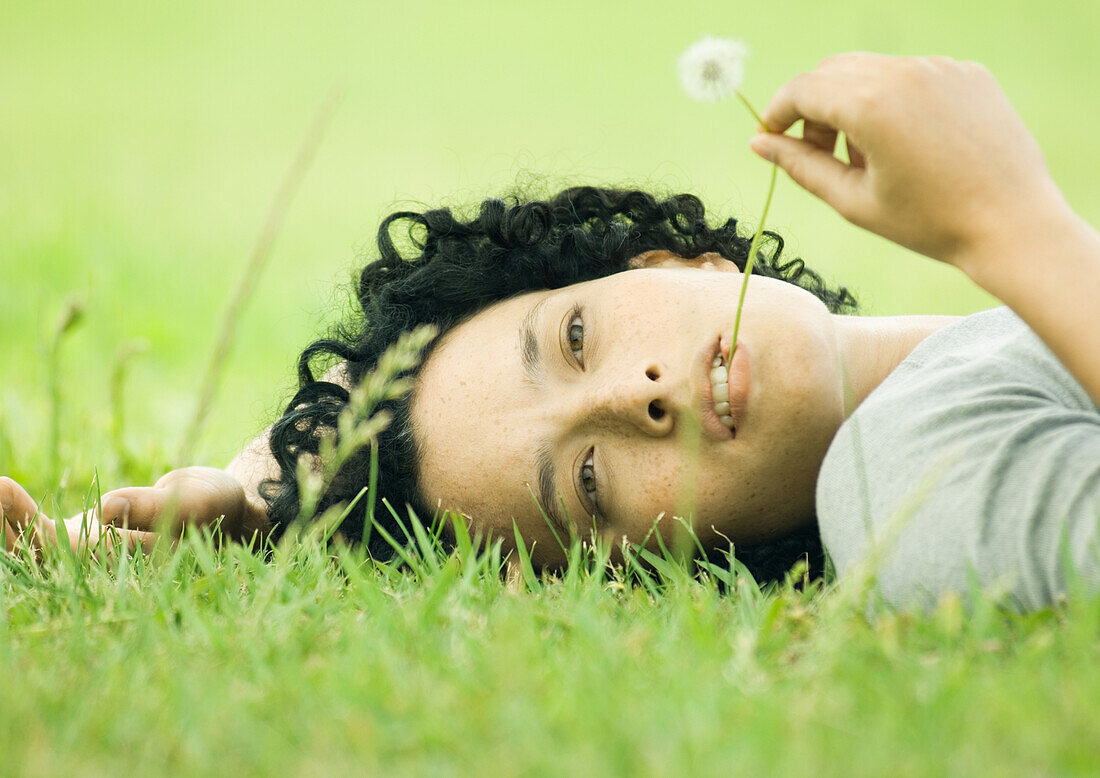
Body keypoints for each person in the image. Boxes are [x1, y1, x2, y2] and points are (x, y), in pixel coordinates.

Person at [3, 53, 1098, 610]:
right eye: (587, 483)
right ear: (657, 572)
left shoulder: (994, 345)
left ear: (670, 262)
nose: (641, 396)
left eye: (575, 337)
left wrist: (276, 484)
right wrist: (1003, 219)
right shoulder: (903, 485)